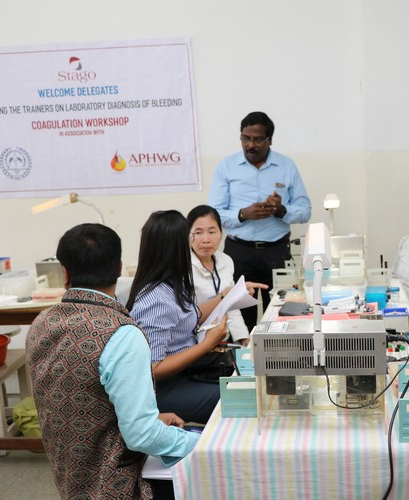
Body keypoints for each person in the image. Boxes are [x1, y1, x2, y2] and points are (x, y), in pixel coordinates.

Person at [26, 223, 199, 499]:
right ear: (119, 267)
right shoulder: (121, 334)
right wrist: (203, 443)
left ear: (64, 272)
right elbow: (143, 437)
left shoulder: (42, 323)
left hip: (71, 481)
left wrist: (149, 417)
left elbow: (81, 400)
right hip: (121, 487)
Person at [209, 111, 312, 330]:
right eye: (245, 138)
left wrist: (282, 210)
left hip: (276, 252)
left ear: (269, 140)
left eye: (257, 139)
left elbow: (305, 210)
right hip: (238, 253)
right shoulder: (226, 167)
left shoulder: (287, 166)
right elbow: (215, 214)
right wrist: (243, 214)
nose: (250, 145)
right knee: (238, 317)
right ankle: (242, 351)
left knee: (281, 314)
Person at [127, 210, 230, 425]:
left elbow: (189, 316)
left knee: (243, 378)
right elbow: (153, 369)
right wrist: (206, 344)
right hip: (163, 389)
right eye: (191, 237)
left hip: (187, 373)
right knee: (236, 397)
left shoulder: (173, 283)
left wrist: (225, 298)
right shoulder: (156, 300)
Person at [187, 204, 268, 347]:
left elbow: (231, 306)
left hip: (224, 340)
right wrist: (226, 296)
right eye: (198, 232)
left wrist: (242, 338)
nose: (206, 239)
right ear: (188, 236)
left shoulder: (226, 261)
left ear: (221, 233)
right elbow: (185, 318)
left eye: (212, 232)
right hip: (194, 343)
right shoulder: (182, 267)